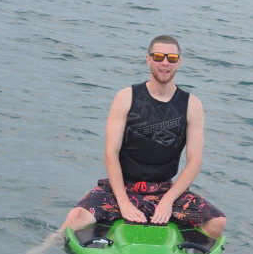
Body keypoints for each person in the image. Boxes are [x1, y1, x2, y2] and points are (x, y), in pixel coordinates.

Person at [61, 35, 227, 239]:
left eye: (172, 58)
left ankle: (171, 235)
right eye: (158, 56)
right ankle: (42, 250)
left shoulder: (192, 105)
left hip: (165, 190)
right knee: (75, 218)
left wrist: (167, 202)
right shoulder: (126, 97)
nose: (165, 62)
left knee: (217, 224)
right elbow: (110, 153)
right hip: (122, 187)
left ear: (179, 62)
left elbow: (194, 162)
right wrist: (123, 202)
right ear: (148, 60)